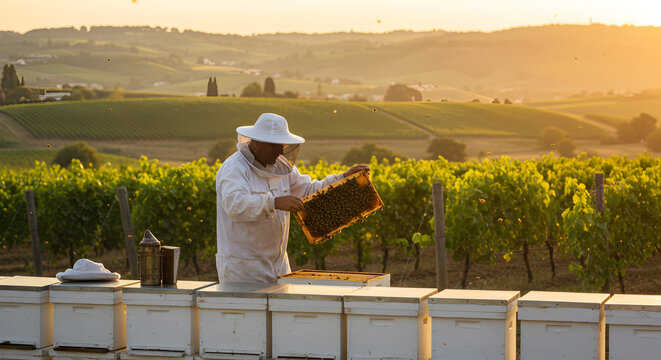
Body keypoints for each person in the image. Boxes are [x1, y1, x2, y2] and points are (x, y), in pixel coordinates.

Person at [215, 113, 369, 283]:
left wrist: (343, 179)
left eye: (282, 145)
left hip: (280, 267)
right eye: (275, 146)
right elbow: (235, 205)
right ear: (256, 142)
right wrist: (274, 202)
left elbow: (310, 190)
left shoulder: (281, 167)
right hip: (243, 271)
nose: (280, 151)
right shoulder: (234, 168)